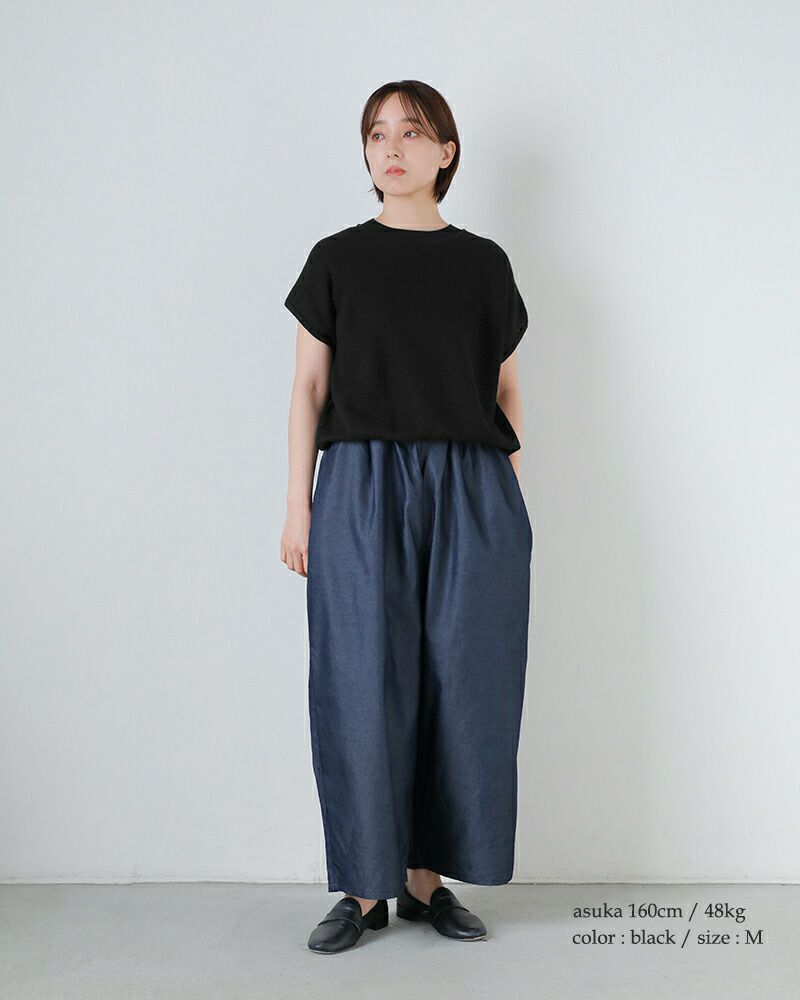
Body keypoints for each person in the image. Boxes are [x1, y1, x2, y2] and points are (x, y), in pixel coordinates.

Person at [280, 79, 533, 954]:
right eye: (377, 133)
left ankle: (428, 881)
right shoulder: (337, 259)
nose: (392, 148)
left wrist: (507, 502)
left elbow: (505, 389)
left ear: (446, 152)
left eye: (413, 133)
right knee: (359, 678)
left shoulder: (483, 264)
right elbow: (309, 389)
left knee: (464, 679)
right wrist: (298, 507)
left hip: (471, 483)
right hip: (359, 481)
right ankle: (363, 888)